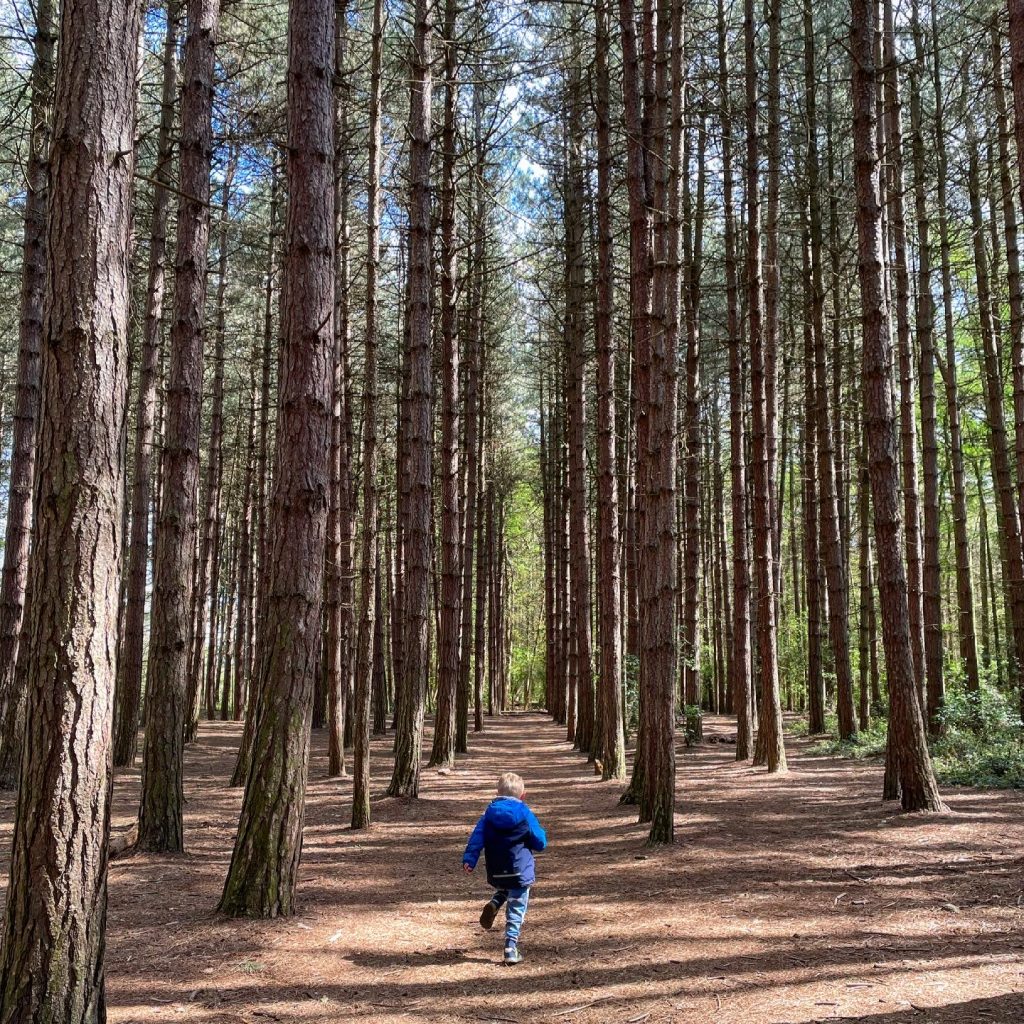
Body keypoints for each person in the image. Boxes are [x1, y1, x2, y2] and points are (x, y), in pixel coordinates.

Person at [462, 771, 547, 965]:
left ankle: (496, 901)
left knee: (505, 886)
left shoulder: (488, 814)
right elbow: (540, 841)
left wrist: (469, 859)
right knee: (516, 906)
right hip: (519, 870)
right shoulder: (525, 813)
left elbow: (476, 839)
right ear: (523, 795)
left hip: (496, 870)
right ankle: (510, 947)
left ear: (497, 792)